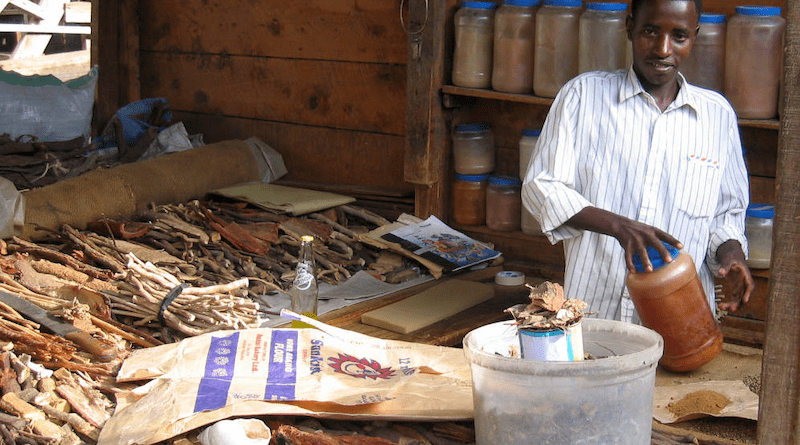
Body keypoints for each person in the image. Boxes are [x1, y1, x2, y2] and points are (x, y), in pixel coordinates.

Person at [521, 0, 755, 323]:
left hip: (679, 329)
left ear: (695, 37)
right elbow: (541, 186)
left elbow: (725, 216)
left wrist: (732, 257)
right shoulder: (583, 97)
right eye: (650, 31)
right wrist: (618, 226)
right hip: (594, 321)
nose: (663, 49)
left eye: (679, 36)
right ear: (629, 27)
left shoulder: (717, 117)